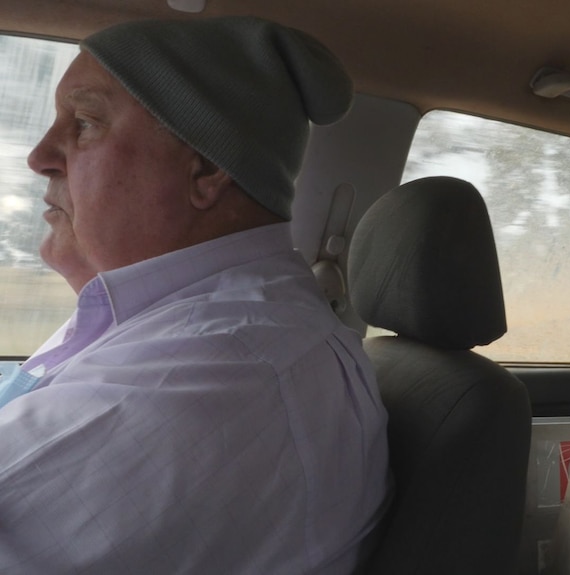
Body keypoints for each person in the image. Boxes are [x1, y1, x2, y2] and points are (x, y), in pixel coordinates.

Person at [0, 16, 390, 574]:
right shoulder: (180, 322)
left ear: (205, 168)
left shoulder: (216, 369)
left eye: (84, 123)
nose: (39, 156)